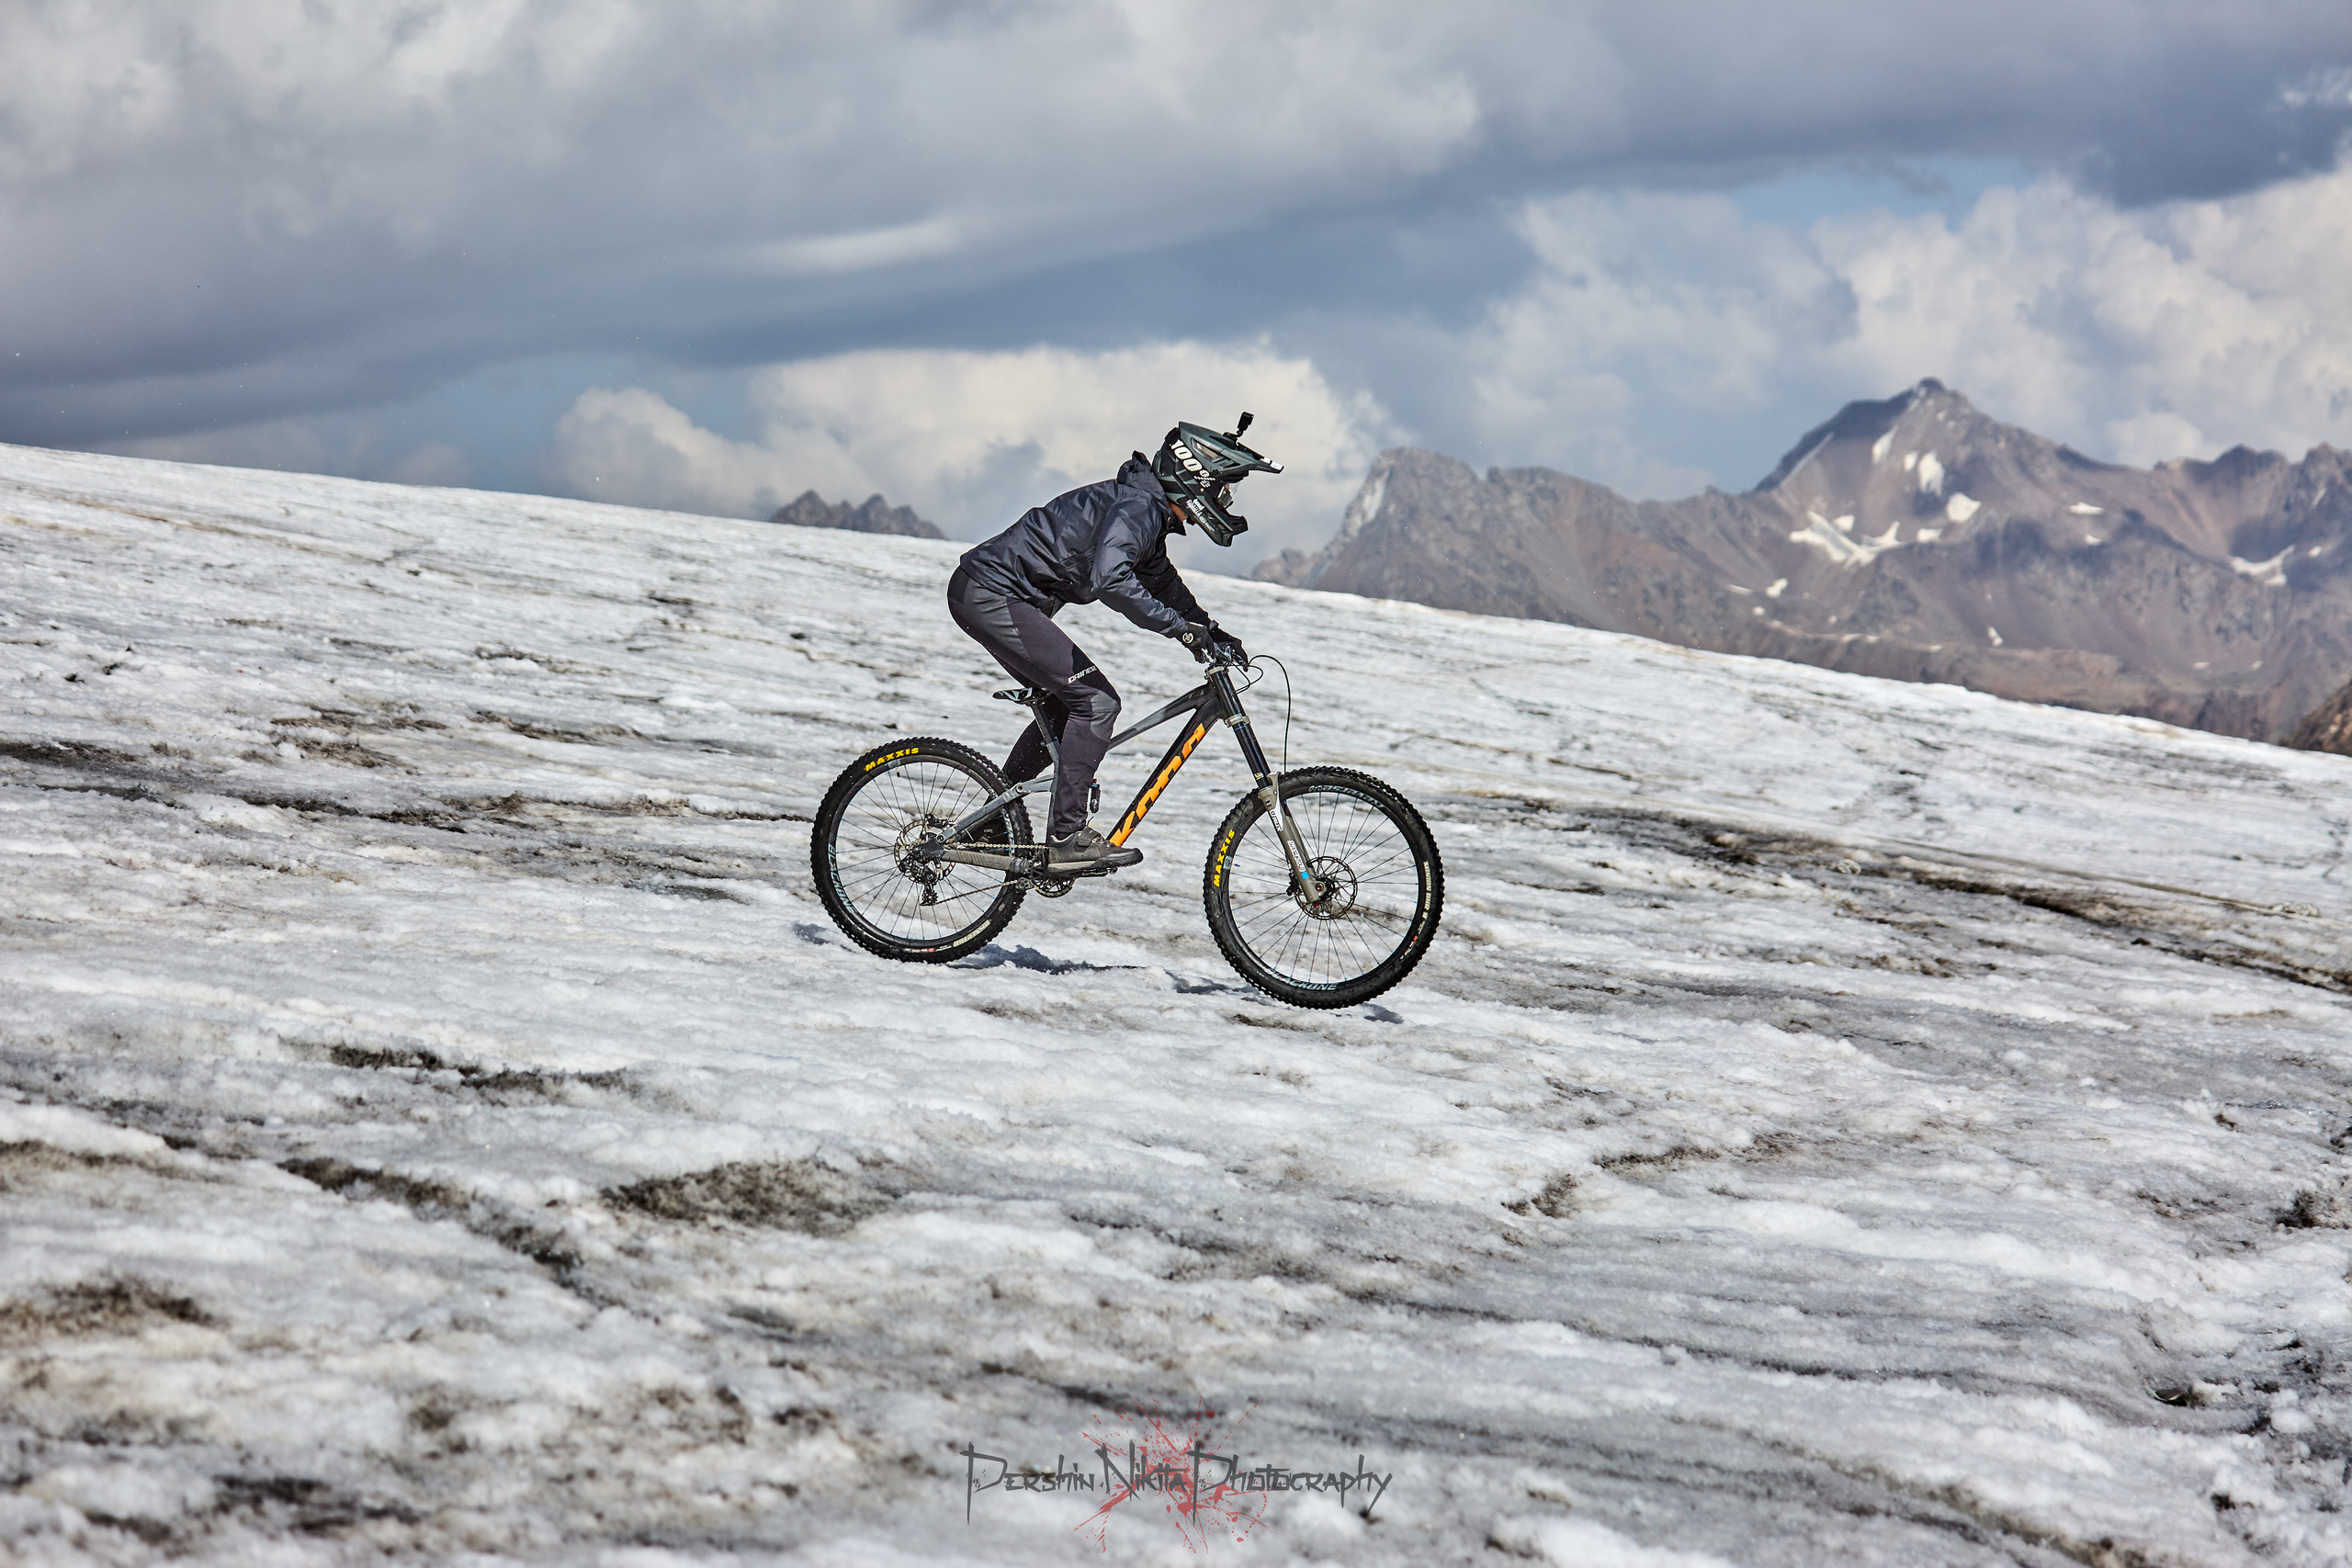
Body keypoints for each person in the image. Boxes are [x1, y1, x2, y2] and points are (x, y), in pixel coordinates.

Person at [946, 415, 1282, 871]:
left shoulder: (1146, 511)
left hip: (990, 594)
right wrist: (1182, 630)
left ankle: (991, 822)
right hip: (991, 594)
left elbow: (1162, 584)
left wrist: (1209, 629)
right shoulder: (1138, 508)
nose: (1226, 501)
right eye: (1223, 490)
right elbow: (1111, 579)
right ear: (1197, 479)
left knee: (1067, 708)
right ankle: (1066, 838)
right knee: (1096, 702)